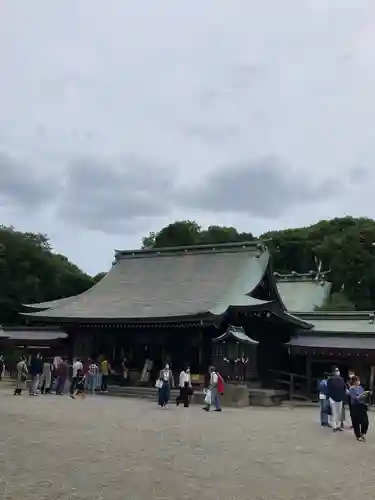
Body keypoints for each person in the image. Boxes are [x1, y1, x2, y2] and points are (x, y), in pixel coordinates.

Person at [349, 375, 370, 441]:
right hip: (355, 406)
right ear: (354, 381)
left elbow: (363, 395)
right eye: (357, 380)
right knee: (356, 422)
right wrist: (361, 395)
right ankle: (358, 436)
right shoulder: (351, 389)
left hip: (362, 406)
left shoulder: (360, 387)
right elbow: (355, 398)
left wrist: (366, 394)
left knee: (365, 422)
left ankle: (362, 433)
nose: (359, 382)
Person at [327, 367, 347, 432]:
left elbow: (344, 388)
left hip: (339, 398)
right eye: (337, 370)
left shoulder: (341, 379)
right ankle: (334, 426)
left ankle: (338, 425)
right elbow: (329, 388)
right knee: (334, 412)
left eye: (338, 370)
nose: (338, 372)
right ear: (334, 372)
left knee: (339, 413)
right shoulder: (330, 380)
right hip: (333, 398)